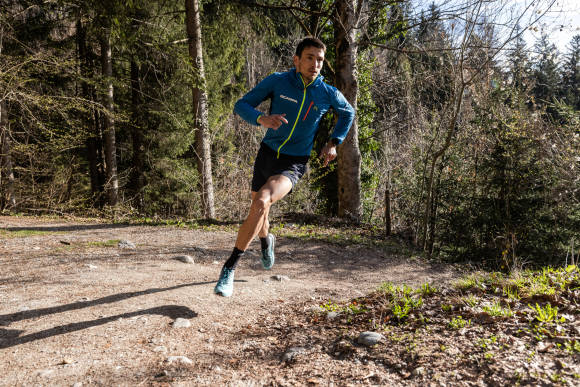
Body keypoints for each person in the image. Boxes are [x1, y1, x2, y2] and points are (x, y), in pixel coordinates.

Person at [214, 37, 355, 297]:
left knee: (263, 201)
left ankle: (229, 268)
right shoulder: (278, 81)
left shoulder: (327, 92)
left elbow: (348, 113)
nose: (315, 64)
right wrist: (261, 119)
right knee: (260, 208)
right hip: (267, 155)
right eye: (310, 58)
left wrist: (334, 142)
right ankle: (266, 241)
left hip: (294, 162)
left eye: (320, 60)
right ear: (297, 60)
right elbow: (241, 105)